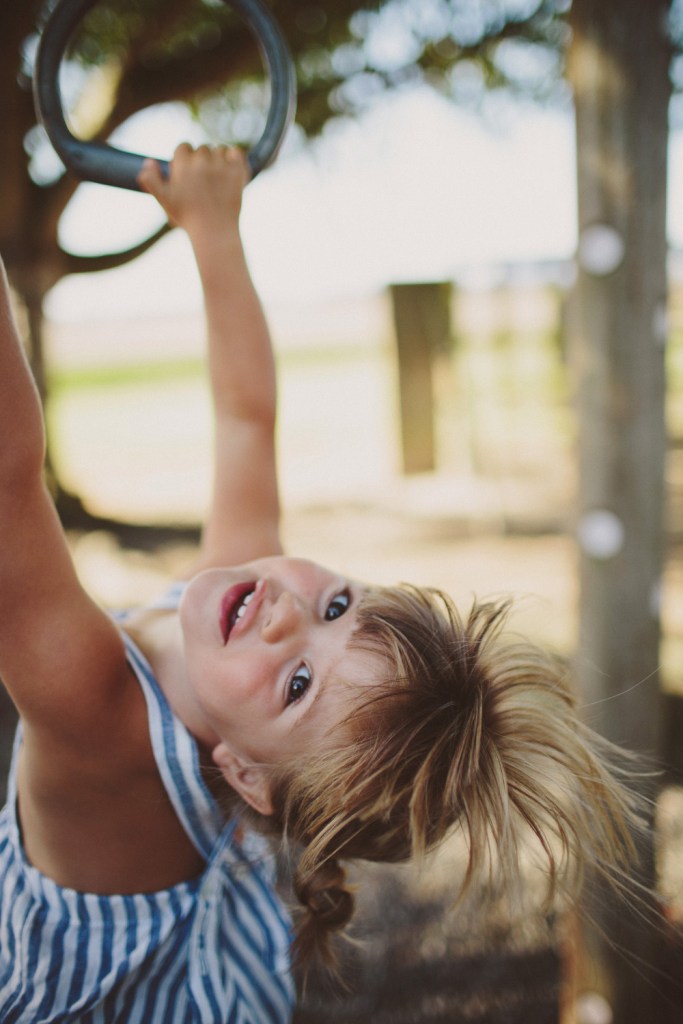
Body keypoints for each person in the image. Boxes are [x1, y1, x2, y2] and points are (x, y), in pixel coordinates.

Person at [0, 145, 642, 1023]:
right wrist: (214, 230)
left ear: (247, 778)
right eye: (338, 604)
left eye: (300, 683)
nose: (286, 618)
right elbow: (244, 420)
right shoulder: (246, 635)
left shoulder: (96, 717)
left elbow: (7, 477)